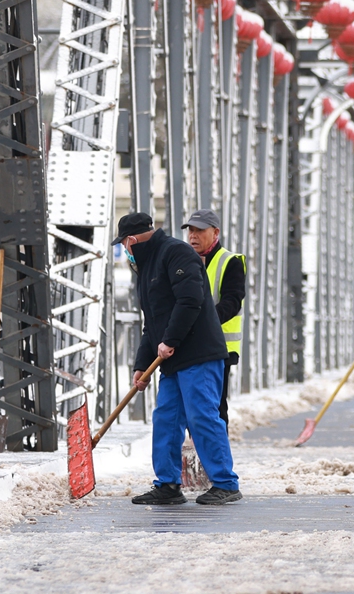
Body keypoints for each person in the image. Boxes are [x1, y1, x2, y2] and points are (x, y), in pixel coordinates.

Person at [114, 213, 241, 506]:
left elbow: (190, 300)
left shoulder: (176, 252)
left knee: (202, 416)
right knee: (166, 418)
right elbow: (152, 324)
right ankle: (168, 485)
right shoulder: (145, 269)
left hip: (198, 352)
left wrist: (171, 340)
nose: (125, 251)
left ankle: (226, 483)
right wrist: (140, 366)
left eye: (123, 244)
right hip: (171, 360)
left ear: (131, 240)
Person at [182, 209, 245, 424]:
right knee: (188, 407)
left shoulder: (230, 262)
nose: (193, 235)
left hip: (219, 348)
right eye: (191, 230)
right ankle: (194, 453)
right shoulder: (182, 261)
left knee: (215, 408)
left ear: (215, 232)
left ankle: (217, 456)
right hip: (188, 347)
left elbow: (232, 302)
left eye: (200, 230)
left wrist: (202, 323)